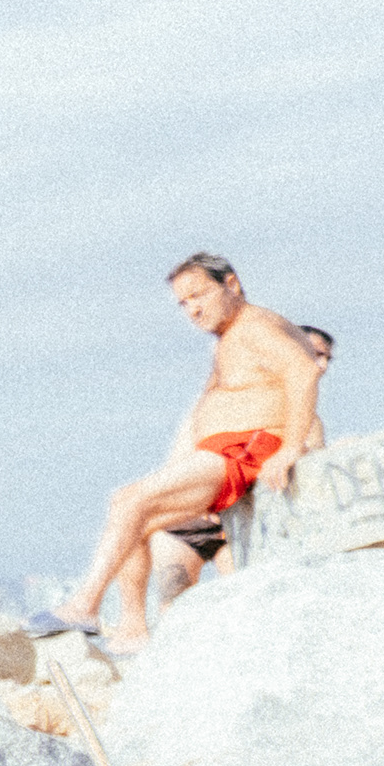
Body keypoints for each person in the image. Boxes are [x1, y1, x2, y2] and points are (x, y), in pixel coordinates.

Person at [33, 254, 324, 644]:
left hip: (247, 449)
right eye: (183, 303)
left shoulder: (254, 325)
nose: (192, 309)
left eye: (199, 294)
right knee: (134, 523)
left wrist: (289, 449)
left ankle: (84, 606)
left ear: (231, 284)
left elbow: (303, 370)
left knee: (127, 501)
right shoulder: (232, 334)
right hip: (224, 452)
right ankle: (134, 627)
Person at [147, 320, 333, 615]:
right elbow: (184, 455)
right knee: (173, 610)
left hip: (236, 521)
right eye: (314, 353)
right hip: (187, 520)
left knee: (246, 605)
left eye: (326, 357)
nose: (320, 364)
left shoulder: (308, 421)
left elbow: (309, 477)